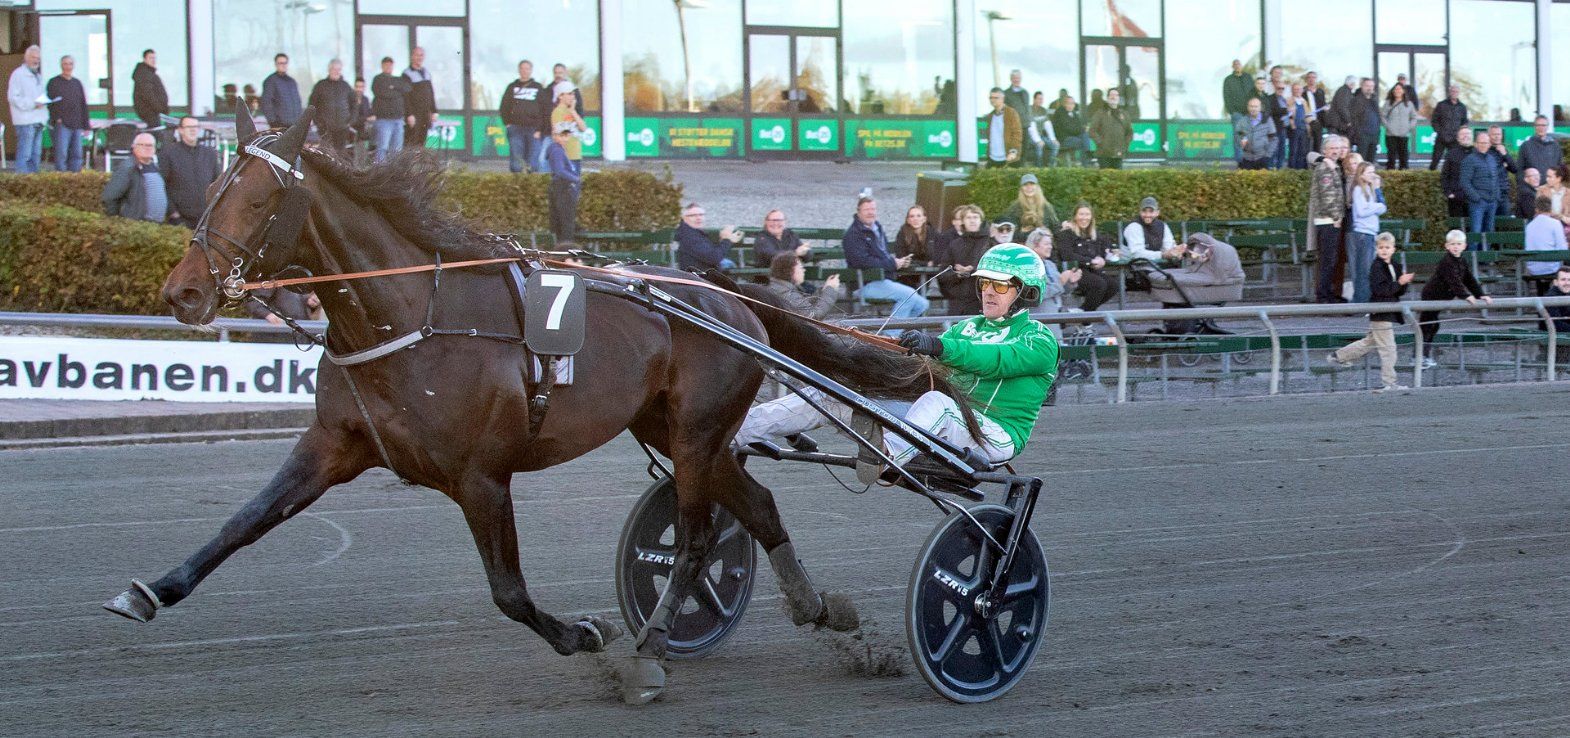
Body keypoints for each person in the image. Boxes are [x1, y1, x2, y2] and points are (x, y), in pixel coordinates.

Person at [734, 243, 1058, 475]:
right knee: (837, 393)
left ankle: (885, 455)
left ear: (1026, 292)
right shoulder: (966, 326)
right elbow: (934, 358)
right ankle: (736, 431)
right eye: (985, 282)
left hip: (994, 436)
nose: (988, 291)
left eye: (1000, 286)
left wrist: (937, 346)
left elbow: (996, 359)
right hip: (942, 424)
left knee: (938, 403)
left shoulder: (1038, 339)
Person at [1327, 233, 1411, 392]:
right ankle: (1389, 382)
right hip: (1380, 311)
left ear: (1393, 249)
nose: (1384, 250)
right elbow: (1381, 290)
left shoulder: (1396, 265)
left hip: (1388, 311)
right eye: (1381, 248)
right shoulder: (1376, 267)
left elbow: (1398, 291)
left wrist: (1403, 283)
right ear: (1376, 249)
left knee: (1370, 342)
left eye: (1387, 247)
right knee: (1388, 348)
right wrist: (1399, 283)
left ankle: (1338, 356)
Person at [843, 197, 927, 319]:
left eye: (873, 209)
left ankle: (895, 332)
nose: (870, 212)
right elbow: (862, 261)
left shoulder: (877, 228)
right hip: (864, 283)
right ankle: (889, 335)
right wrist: (893, 263)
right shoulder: (853, 234)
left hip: (883, 280)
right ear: (858, 211)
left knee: (922, 304)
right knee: (909, 296)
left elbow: (883, 256)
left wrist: (898, 262)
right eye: (866, 209)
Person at [1417, 230, 1490, 367]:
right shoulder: (1447, 262)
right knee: (1427, 325)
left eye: (1458, 244)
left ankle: (1424, 355)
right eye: (1452, 244)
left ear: (1464, 246)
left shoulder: (1462, 261)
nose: (1455, 247)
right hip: (1432, 295)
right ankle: (1419, 356)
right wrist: (1465, 295)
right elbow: (1453, 280)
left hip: (1442, 297)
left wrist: (1480, 294)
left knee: (1433, 325)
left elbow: (1469, 279)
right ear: (1447, 246)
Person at [1308, 135, 1350, 303]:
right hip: (1328, 221)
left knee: (1330, 260)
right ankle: (1324, 296)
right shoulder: (1324, 168)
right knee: (1327, 260)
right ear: (1324, 151)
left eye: (1337, 148)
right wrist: (1336, 217)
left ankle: (1328, 294)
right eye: (1332, 148)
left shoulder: (1335, 166)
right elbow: (1327, 196)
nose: (1335, 151)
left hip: (1331, 220)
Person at [160, 116, 221, 228]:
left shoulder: (210, 154)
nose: (193, 130)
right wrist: (173, 213)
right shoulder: (168, 153)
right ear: (180, 130)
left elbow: (218, 183)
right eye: (189, 127)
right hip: (179, 220)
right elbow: (162, 185)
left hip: (206, 219)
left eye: (196, 127)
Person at [1056, 202, 1116, 311]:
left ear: (1091, 217)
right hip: (1074, 271)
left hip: (1092, 271)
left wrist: (1102, 259)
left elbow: (1106, 246)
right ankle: (1084, 320)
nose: (1084, 218)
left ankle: (1081, 313)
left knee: (1114, 285)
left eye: (1087, 214)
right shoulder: (1066, 234)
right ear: (1075, 216)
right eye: (1081, 214)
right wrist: (1091, 261)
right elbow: (1067, 255)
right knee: (1099, 284)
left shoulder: (1094, 234)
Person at [936, 205, 993, 315]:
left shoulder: (990, 243)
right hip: (958, 301)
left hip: (984, 299)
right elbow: (943, 273)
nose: (972, 221)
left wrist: (972, 271)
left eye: (975, 217)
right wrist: (958, 274)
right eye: (968, 218)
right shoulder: (955, 244)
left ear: (981, 220)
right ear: (962, 221)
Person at [101, 133, 167, 223]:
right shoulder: (127, 168)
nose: (148, 148)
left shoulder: (156, 168)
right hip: (136, 226)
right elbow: (109, 197)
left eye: (151, 145)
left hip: (157, 226)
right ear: (134, 146)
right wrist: (119, 221)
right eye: (143, 145)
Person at [1347, 161, 1387, 303]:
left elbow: (1383, 207)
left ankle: (1363, 299)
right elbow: (1362, 211)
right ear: (1361, 175)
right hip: (1363, 232)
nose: (1373, 175)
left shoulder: (1371, 190)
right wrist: (1376, 207)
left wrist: (1376, 195)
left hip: (1370, 232)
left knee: (1366, 269)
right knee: (1363, 270)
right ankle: (1360, 300)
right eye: (1369, 173)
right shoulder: (1358, 189)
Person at [500, 60, 549, 174]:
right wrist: (507, 123)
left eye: (527, 68)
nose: (524, 71)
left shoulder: (538, 88)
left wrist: (540, 129)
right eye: (522, 68)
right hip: (515, 129)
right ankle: (516, 187)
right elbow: (504, 106)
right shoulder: (512, 87)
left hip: (534, 130)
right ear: (519, 70)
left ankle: (531, 188)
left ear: (531, 70)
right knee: (516, 164)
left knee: (532, 164)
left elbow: (545, 110)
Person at [766, 252, 841, 320]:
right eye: (801, 267)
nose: (804, 270)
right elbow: (813, 317)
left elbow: (805, 306)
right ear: (790, 271)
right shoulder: (786, 293)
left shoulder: (779, 287)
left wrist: (824, 290)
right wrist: (830, 290)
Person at [46, 55, 89, 173]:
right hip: (62, 124)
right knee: (61, 154)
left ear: (73, 66)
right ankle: (61, 179)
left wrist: (86, 125)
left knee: (77, 154)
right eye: (65, 64)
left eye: (70, 64)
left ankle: (75, 179)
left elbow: (83, 104)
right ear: (61, 65)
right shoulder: (53, 82)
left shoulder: (77, 83)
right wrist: (57, 119)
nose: (68, 66)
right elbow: (49, 103)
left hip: (77, 123)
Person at [7, 45, 46, 174]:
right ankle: (22, 182)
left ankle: (33, 183)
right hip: (25, 121)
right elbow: (13, 97)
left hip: (38, 120)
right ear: (26, 58)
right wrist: (33, 104)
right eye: (34, 58)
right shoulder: (18, 74)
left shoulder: (38, 76)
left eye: (38, 59)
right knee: (25, 154)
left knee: (36, 154)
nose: (36, 61)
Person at [1023, 227, 1074, 323]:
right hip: (1038, 321)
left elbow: (1062, 291)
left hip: (1056, 317)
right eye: (1046, 244)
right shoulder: (1027, 266)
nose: (1050, 247)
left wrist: (1070, 282)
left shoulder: (1051, 265)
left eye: (1050, 244)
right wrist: (1060, 282)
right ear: (1034, 245)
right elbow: (1033, 295)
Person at [1460, 130, 1500, 243]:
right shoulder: (1469, 160)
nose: (1483, 145)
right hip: (1478, 203)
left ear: (1489, 144)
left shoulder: (1492, 159)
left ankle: (1487, 260)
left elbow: (1496, 179)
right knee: (1475, 233)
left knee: (1489, 232)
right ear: (1476, 144)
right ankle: (1474, 260)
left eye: (1486, 143)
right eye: (1481, 143)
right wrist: (1476, 198)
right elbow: (1464, 182)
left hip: (1492, 202)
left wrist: (1497, 196)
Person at [1524, 195, 1569, 296]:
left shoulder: (1529, 226)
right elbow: (1562, 249)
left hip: (1533, 268)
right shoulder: (1555, 223)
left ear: (1536, 209)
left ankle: (1542, 298)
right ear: (1550, 208)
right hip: (1551, 267)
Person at [675, 203, 740, 272]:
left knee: (728, 263)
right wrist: (726, 240)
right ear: (684, 218)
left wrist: (724, 240)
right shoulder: (689, 236)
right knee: (729, 264)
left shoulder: (692, 232)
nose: (698, 218)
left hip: (702, 275)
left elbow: (710, 254)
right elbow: (714, 258)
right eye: (692, 215)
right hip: (700, 278)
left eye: (701, 215)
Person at [545, 123, 582, 244]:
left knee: (562, 221)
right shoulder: (557, 151)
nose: (566, 138)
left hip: (560, 188)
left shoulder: (557, 150)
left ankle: (563, 248)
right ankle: (566, 250)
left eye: (566, 135)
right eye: (563, 135)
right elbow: (559, 171)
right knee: (566, 222)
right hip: (563, 188)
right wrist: (576, 179)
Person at [370, 57, 411, 163]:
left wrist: (393, 87)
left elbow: (407, 88)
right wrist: (397, 91)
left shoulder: (397, 79)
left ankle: (394, 174)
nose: (388, 67)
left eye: (390, 65)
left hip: (398, 119)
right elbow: (382, 93)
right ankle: (379, 173)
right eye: (386, 65)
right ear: (382, 66)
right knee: (382, 147)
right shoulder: (378, 79)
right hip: (384, 120)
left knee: (397, 150)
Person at [308, 59, 354, 151]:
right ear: (329, 70)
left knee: (340, 154)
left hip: (342, 127)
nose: (336, 72)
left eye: (339, 69)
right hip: (325, 128)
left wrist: (350, 121)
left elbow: (354, 105)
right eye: (334, 69)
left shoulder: (346, 86)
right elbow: (312, 104)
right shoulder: (320, 85)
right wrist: (318, 122)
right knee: (326, 153)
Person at [997, 173, 1058, 242]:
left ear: (1037, 187)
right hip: (1022, 244)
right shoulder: (1014, 207)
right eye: (1025, 185)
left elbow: (1055, 227)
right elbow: (1009, 231)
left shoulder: (1047, 206)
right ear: (1021, 188)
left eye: (1032, 184)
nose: (1029, 187)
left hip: (1043, 244)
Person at [1122, 196, 1180, 261]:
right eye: (1144, 211)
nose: (1147, 215)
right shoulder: (1133, 227)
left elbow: (1169, 247)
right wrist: (1162, 255)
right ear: (1140, 212)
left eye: (1151, 211)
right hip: (1132, 266)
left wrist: (1177, 251)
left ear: (1157, 213)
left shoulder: (1163, 226)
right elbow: (1137, 254)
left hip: (1157, 266)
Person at [1088, 88, 1133, 169]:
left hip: (1118, 153)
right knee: (1105, 179)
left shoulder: (1124, 114)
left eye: (1116, 95)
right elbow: (1092, 131)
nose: (1114, 97)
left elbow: (1129, 132)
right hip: (1104, 154)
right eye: (1111, 95)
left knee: (1119, 179)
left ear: (1119, 98)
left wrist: (1125, 145)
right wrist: (1101, 143)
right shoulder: (1100, 113)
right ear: (1107, 98)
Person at [892, 205, 935, 288]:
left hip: (927, 275)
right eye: (912, 216)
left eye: (918, 216)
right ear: (908, 220)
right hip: (908, 275)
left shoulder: (931, 233)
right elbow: (902, 258)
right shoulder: (902, 234)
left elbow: (938, 253)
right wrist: (926, 263)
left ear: (924, 219)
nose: (915, 219)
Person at [403, 47, 437, 149]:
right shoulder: (407, 73)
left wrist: (434, 111)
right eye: (417, 55)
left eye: (421, 55)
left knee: (422, 142)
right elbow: (406, 96)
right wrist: (409, 114)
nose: (419, 57)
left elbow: (431, 93)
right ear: (412, 56)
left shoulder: (426, 72)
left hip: (425, 114)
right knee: (411, 141)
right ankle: (409, 164)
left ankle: (418, 163)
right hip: (414, 114)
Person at [1381, 82, 1420, 170]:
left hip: (1404, 134)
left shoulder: (1409, 104)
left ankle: (1404, 176)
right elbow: (1383, 116)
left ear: (1403, 91)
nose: (1397, 91)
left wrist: (1409, 127)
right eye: (1395, 89)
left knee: (1404, 158)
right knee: (1391, 157)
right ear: (1393, 91)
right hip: (1390, 134)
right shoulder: (1388, 103)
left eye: (1399, 89)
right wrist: (1388, 126)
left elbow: (1414, 117)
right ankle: (1390, 176)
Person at [979, 87, 1022, 168]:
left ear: (1002, 98)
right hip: (992, 158)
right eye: (991, 97)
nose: (992, 100)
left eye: (996, 97)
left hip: (1008, 158)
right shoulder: (990, 116)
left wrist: (1013, 151)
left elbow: (1017, 134)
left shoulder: (1011, 113)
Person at [1429, 85, 1468, 171]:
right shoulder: (1441, 105)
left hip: (1455, 139)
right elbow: (1434, 120)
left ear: (1459, 93)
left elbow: (1465, 122)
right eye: (1452, 91)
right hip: (1441, 138)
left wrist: (1461, 135)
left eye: (1456, 91)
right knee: (1435, 160)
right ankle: (1429, 178)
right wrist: (1440, 132)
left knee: (1454, 162)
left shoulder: (1462, 107)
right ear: (1449, 92)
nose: (1454, 93)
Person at [260, 53, 303, 128]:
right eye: (280, 63)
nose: (283, 65)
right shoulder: (270, 81)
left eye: (285, 63)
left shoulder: (292, 81)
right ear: (276, 64)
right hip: (280, 125)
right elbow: (266, 103)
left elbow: (297, 102)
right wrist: (273, 122)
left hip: (295, 125)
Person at [1440, 127, 1475, 219]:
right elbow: (1444, 175)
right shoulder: (1451, 154)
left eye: (1468, 134)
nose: (1465, 136)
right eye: (1463, 134)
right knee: (1456, 228)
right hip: (1456, 198)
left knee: (1473, 229)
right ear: (1458, 138)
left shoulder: (1477, 153)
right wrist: (1448, 193)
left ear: (1472, 136)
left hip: (1475, 198)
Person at [1222, 59, 1253, 163]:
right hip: (1237, 113)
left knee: (1249, 137)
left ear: (1241, 65)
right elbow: (1226, 96)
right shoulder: (1228, 80)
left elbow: (1253, 93)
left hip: (1249, 113)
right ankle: (1240, 162)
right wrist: (1232, 111)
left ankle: (1249, 161)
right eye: (1235, 64)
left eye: (1238, 64)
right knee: (1238, 138)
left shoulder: (1248, 77)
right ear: (1232, 66)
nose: (1237, 66)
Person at [1235, 97, 1277, 170]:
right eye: (1251, 106)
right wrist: (1240, 141)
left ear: (1260, 108)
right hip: (1246, 158)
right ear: (1248, 107)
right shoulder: (1242, 121)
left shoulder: (1267, 120)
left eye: (1256, 106)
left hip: (1262, 158)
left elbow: (1274, 139)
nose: (1253, 109)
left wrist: (1268, 155)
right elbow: (1238, 135)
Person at [131, 49, 169, 130]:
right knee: (155, 135)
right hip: (150, 112)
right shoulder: (144, 74)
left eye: (154, 58)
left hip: (152, 112)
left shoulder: (148, 73)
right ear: (144, 59)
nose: (153, 60)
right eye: (151, 58)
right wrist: (160, 108)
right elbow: (148, 95)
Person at [551, 86, 588, 163]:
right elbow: (559, 136)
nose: (573, 97)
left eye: (573, 94)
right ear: (560, 96)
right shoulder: (557, 112)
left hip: (576, 154)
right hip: (565, 156)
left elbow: (583, 128)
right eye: (569, 94)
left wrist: (573, 112)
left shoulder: (572, 110)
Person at [1051, 96, 1089, 166]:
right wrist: (1082, 129)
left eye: (1072, 104)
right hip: (1063, 139)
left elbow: (1079, 125)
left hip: (1073, 136)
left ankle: (1085, 160)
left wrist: (1082, 129)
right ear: (1064, 104)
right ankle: (1085, 162)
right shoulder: (1060, 112)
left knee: (1085, 135)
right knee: (1082, 141)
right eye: (1069, 103)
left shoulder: (1073, 113)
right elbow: (1068, 128)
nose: (1071, 105)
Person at [1350, 78, 1382, 158]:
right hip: (1362, 136)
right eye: (1367, 86)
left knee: (1370, 161)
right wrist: (1358, 135)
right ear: (1362, 87)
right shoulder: (1356, 100)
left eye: (1371, 86)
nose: (1369, 88)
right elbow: (1354, 119)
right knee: (1361, 161)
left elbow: (1377, 118)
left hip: (1374, 135)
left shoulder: (1374, 100)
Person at [1025, 91, 1059, 167]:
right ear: (1034, 99)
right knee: (1039, 145)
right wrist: (1038, 141)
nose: (1041, 101)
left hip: (1040, 136)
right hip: (1030, 137)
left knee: (1055, 145)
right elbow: (1031, 127)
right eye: (1039, 99)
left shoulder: (1043, 110)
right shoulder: (1029, 109)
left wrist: (1053, 139)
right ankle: (1039, 168)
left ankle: (1051, 166)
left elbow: (1048, 125)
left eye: (1042, 99)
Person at [1538, 165, 1570, 242]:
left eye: (1550, 177)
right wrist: (1560, 216)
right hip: (1545, 227)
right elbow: (1539, 211)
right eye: (1546, 176)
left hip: (1565, 228)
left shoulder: (1568, 193)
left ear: (1559, 178)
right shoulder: (1542, 190)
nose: (1546, 179)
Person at [1284, 82, 1310, 170]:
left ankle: (1300, 170)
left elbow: (1308, 115)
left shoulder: (1304, 101)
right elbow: (1288, 115)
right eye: (1295, 89)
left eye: (1299, 89)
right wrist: (1292, 124)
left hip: (1303, 128)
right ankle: (1291, 170)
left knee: (1302, 151)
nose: (1297, 91)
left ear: (1302, 90)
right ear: (1292, 90)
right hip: (1294, 128)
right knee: (1293, 151)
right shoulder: (1289, 100)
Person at [1269, 79, 1292, 170]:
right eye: (1279, 88)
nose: (1281, 90)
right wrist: (1286, 110)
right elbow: (1272, 111)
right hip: (1275, 129)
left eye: (1283, 88)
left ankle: (1279, 169)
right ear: (1275, 88)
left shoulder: (1284, 99)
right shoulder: (1270, 98)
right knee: (1274, 150)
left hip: (1284, 128)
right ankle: (1272, 169)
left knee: (1282, 151)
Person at [1303, 71, 1328, 153]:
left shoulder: (1320, 92)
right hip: (1307, 122)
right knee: (1306, 145)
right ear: (1306, 79)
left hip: (1318, 121)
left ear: (1316, 79)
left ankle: (1316, 163)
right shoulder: (1303, 92)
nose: (1311, 79)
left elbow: (1323, 104)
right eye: (1309, 77)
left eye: (1313, 77)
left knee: (1318, 145)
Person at [349, 77, 373, 144]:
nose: (359, 89)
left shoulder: (365, 99)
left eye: (361, 87)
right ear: (354, 87)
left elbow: (368, 112)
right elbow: (352, 118)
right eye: (357, 86)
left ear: (364, 88)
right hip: (351, 130)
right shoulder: (350, 99)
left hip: (362, 129)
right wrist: (367, 118)